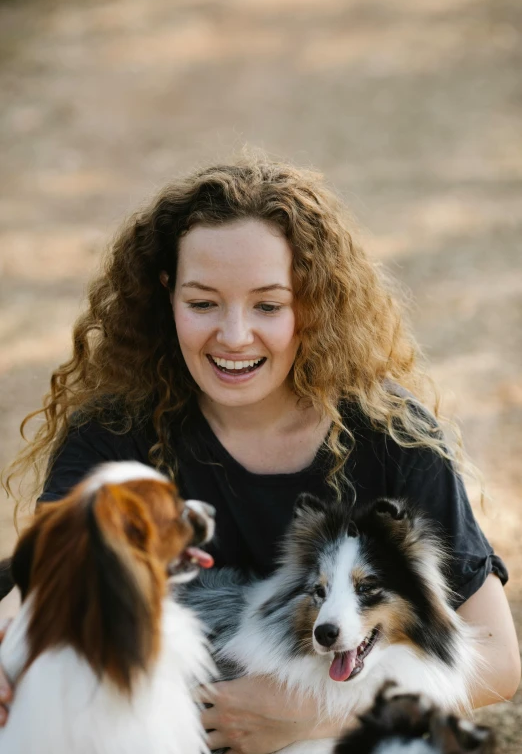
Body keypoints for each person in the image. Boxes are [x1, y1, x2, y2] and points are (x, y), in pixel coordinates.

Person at [0, 154, 520, 752]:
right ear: (166, 294)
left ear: (314, 304)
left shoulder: (391, 436)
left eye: (268, 306)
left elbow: (500, 663)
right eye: (203, 303)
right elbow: (41, 585)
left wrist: (322, 714)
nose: (234, 335)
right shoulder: (114, 433)